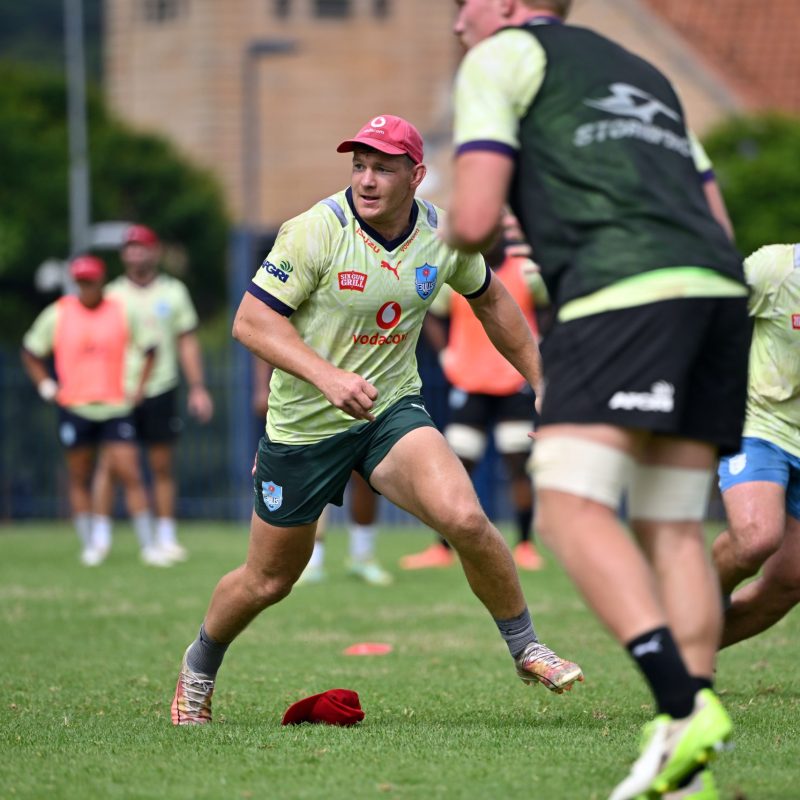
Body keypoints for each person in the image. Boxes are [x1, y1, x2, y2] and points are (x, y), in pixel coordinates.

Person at [171, 113, 584, 726]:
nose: (366, 180)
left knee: (466, 518)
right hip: (305, 427)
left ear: (415, 176)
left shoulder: (442, 235)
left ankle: (526, 647)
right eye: (359, 166)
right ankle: (198, 667)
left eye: (383, 169)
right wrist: (328, 378)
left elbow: (492, 299)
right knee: (268, 580)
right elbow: (251, 323)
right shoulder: (314, 231)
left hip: (390, 409)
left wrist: (542, 380)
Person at [445, 3, 750, 798]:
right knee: (672, 525)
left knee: (569, 509)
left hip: (620, 292)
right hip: (717, 295)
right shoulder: (643, 71)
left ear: (507, 5)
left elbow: (472, 220)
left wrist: (452, 233)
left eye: (463, 5)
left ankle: (682, 707)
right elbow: (716, 218)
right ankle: (688, 772)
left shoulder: (501, 57)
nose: (457, 23)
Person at [401, 212, 546, 572]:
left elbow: (548, 309)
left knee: (519, 464)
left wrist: (539, 349)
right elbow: (432, 313)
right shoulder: (459, 268)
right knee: (457, 463)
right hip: (469, 379)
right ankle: (441, 547)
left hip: (514, 381)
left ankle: (525, 545)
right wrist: (446, 354)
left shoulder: (526, 271)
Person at [20, 255, 165, 566]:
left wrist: (139, 387)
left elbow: (151, 348)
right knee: (79, 475)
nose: (86, 287)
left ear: (101, 281)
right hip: (75, 405)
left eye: (90, 281)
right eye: (81, 282)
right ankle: (90, 544)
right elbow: (31, 351)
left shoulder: (121, 310)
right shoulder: (59, 313)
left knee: (130, 472)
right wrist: (46, 385)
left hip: (115, 405)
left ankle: (149, 544)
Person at [96, 224, 214, 563]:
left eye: (141, 247)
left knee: (162, 465)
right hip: (120, 391)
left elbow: (186, 342)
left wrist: (198, 387)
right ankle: (99, 538)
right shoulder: (112, 294)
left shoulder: (173, 292)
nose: (135, 253)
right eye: (129, 247)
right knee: (111, 464)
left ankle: (165, 536)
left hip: (161, 386)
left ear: (154, 251)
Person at [712, 243, 800, 649]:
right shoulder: (776, 269)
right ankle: (694, 602)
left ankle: (686, 654)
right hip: (761, 425)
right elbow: (702, 318)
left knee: (790, 580)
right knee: (755, 538)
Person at [252, 358, 393, 586]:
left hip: (363, 388)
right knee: (315, 475)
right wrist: (261, 387)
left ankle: (362, 555)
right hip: (311, 399)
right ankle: (313, 562)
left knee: (366, 475)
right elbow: (268, 338)